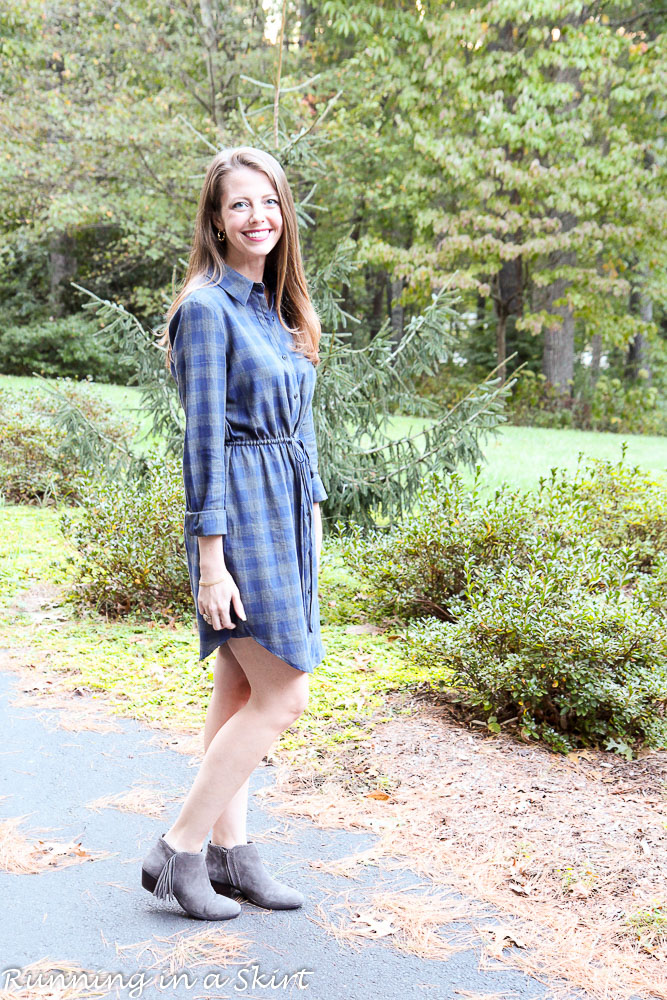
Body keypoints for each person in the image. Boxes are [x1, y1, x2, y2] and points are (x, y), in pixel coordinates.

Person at [141, 146, 328, 921]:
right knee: (284, 693)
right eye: (239, 205)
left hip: (285, 511)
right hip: (238, 517)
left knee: (242, 685)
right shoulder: (206, 309)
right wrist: (209, 562)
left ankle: (231, 854)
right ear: (215, 222)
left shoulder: (277, 309)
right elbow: (203, 443)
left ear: (285, 213)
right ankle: (177, 850)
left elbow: (302, 427)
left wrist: (312, 514)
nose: (258, 217)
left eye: (269, 202)